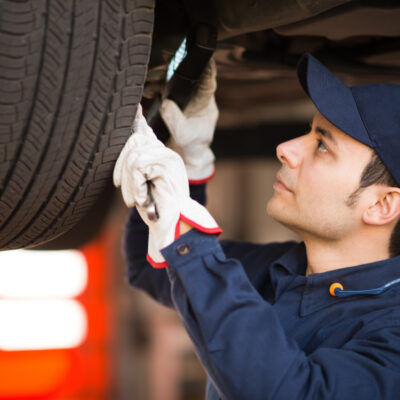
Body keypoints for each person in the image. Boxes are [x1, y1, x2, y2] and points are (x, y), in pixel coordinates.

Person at [113, 54, 400, 399]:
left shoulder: (392, 335)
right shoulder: (285, 269)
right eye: (309, 133)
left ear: (382, 205)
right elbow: (152, 267)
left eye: (322, 146)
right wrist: (190, 162)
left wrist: (189, 241)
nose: (284, 149)